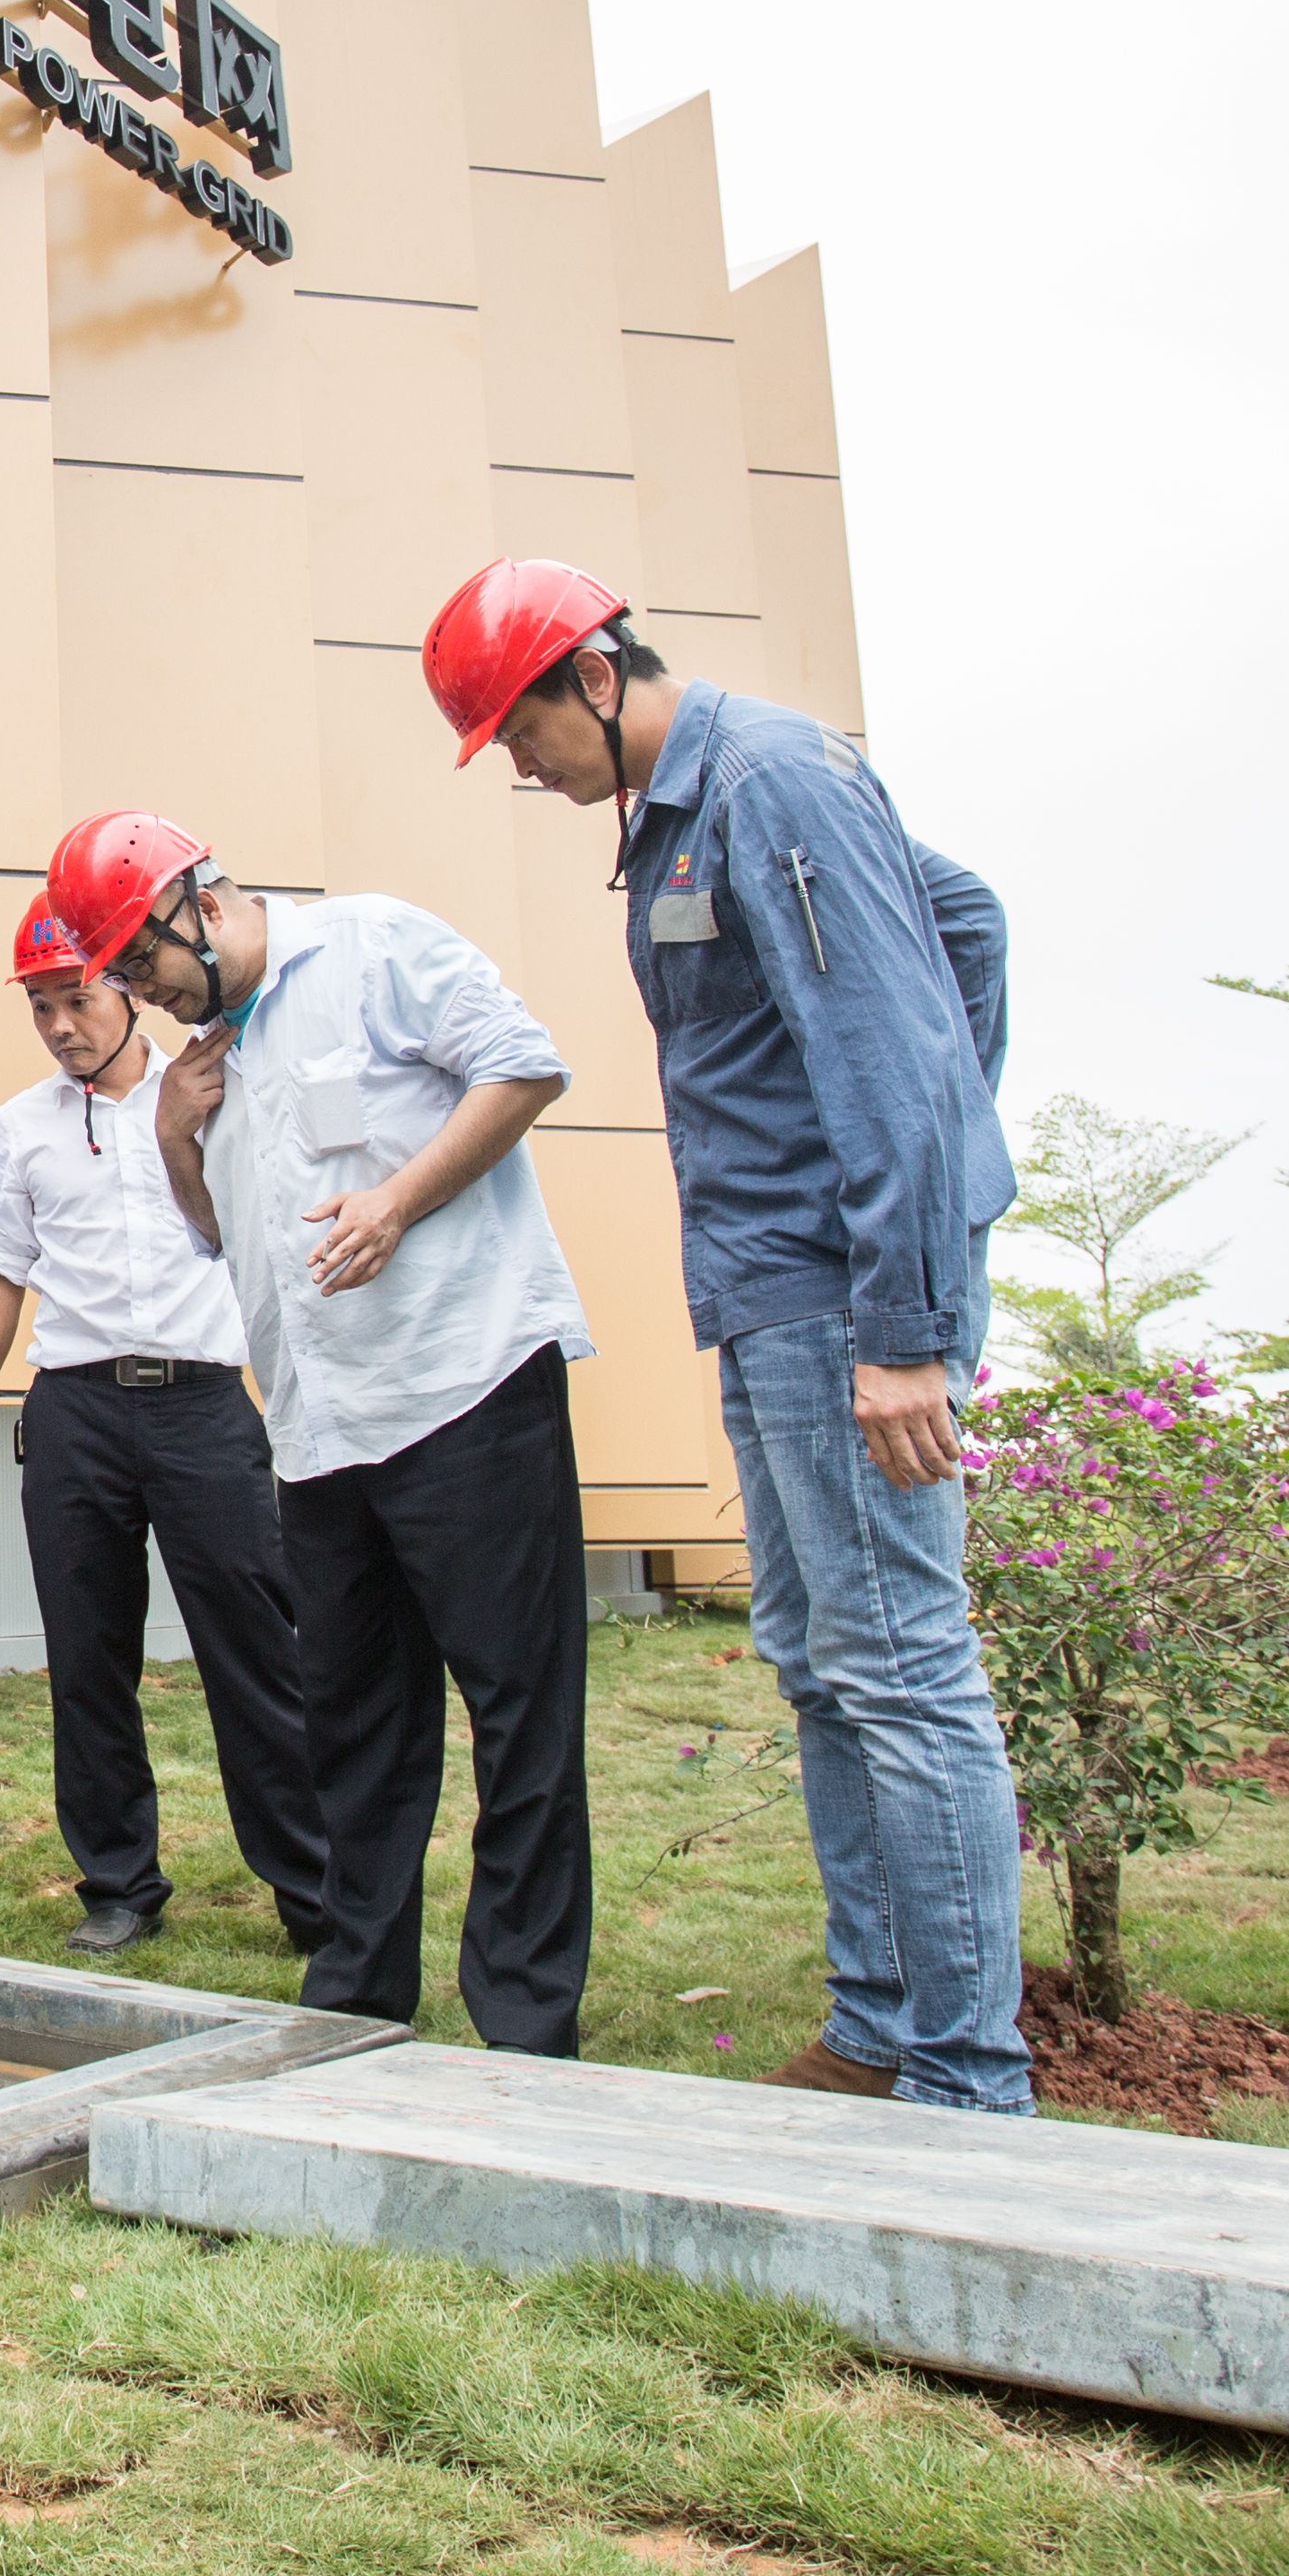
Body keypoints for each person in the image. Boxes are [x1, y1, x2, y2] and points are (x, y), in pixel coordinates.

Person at [434, 556, 1026, 2114]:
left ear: (594, 676)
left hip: (847, 1299)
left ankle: (971, 2087)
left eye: (520, 731)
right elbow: (963, 922)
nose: (521, 765)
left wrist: (907, 1306)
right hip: (773, 1292)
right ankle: (877, 2027)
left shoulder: (770, 781)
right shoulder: (689, 809)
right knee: (824, 1665)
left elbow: (891, 1042)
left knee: (901, 1670)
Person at [40, 808, 595, 2052]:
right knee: (353, 1726)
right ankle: (357, 1997)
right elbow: (217, 1237)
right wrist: (175, 1136)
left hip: (465, 1388)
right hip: (319, 1430)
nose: (139, 990)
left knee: (518, 1716)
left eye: (140, 959)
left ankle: (524, 2020)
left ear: (198, 903)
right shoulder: (205, 1060)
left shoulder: (372, 944)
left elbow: (525, 1067)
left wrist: (399, 1200)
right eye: (119, 971)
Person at [0, 901, 328, 1959]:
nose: (60, 1026)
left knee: (255, 1652)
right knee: (87, 1657)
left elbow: (265, 1234)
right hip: (74, 1410)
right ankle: (118, 1885)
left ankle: (313, 1888)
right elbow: (1, 1268)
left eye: (76, 1000)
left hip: (204, 1404)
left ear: (124, 989)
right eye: (40, 1008)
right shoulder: (23, 1124)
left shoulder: (208, 1088)